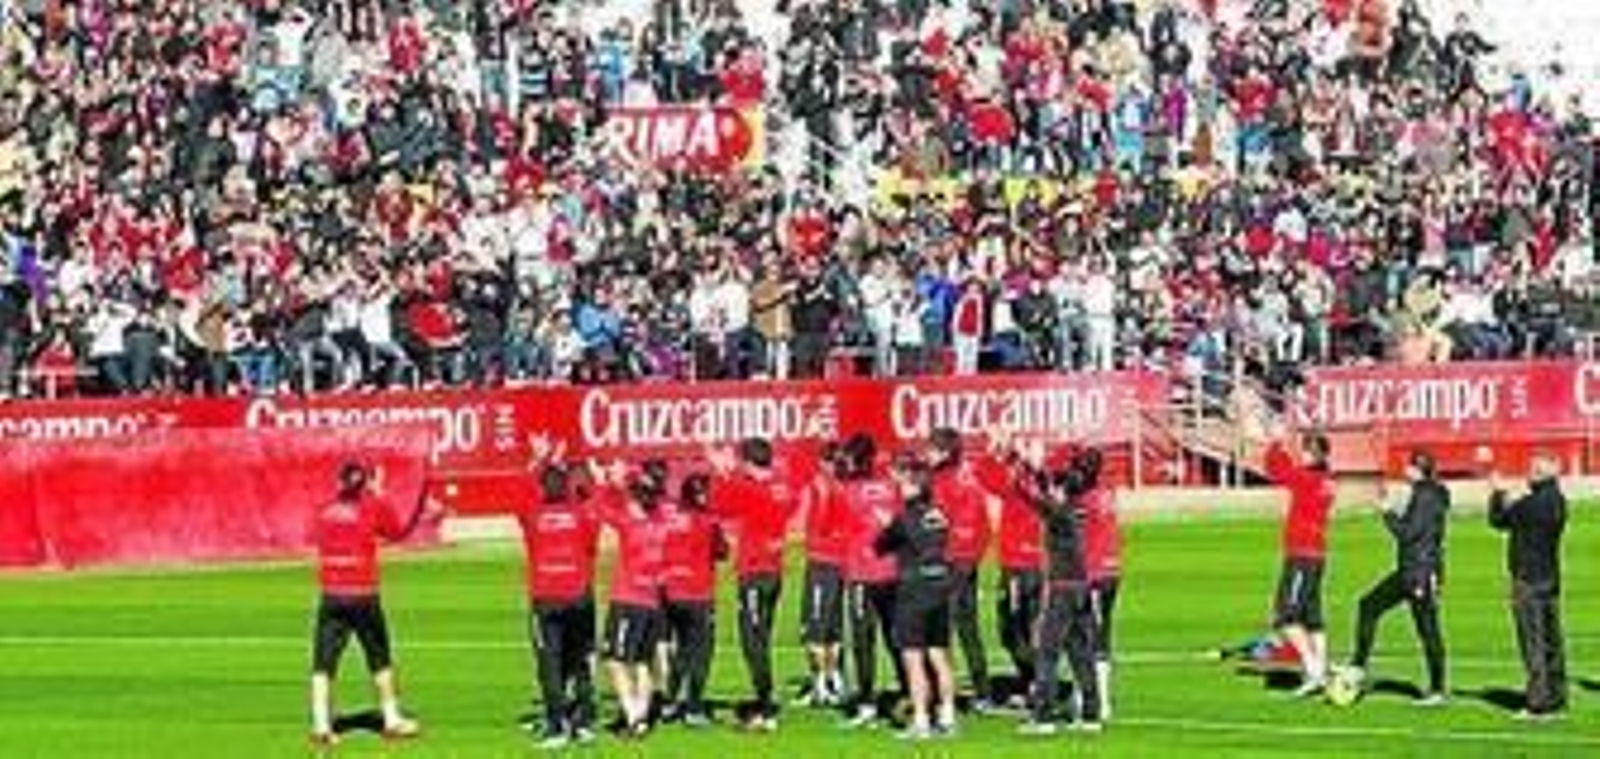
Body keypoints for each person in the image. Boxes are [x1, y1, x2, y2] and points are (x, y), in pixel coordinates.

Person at [307, 461, 430, 746]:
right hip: (363, 594)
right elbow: (398, 531)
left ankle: (321, 724)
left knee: (323, 661)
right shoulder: (372, 506)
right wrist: (380, 493)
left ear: (340, 482)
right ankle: (391, 718)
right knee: (379, 657)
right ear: (364, 483)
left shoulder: (325, 511)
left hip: (332, 594)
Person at [1342, 450, 1449, 707]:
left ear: (1416, 469)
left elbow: (1407, 534)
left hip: (1418, 574)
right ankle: (1358, 665)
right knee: (1369, 605)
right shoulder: (1433, 492)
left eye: (1408, 467)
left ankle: (1436, 690)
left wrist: (1387, 512)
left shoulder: (1425, 496)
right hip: (1414, 571)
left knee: (1427, 630)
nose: (1404, 471)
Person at [1011, 441, 1103, 735]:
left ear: (1063, 491)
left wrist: (1022, 466)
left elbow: (1029, 495)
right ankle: (1091, 715)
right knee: (1080, 652)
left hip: (1061, 589)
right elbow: (1045, 491)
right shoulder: (1075, 509)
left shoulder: (1059, 514)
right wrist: (1034, 469)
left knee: (1047, 652)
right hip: (1080, 588)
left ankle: (1044, 717)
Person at [517, 440, 601, 749]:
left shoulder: (533, 515)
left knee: (549, 663)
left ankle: (556, 727)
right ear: (567, 488)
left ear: (541, 489)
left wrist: (537, 461)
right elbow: (592, 543)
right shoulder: (580, 515)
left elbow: (519, 495)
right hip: (578, 597)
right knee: (579, 660)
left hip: (546, 599)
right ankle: (582, 723)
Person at [708, 438, 795, 731]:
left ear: (747, 461)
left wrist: (722, 471)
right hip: (774, 570)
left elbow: (717, 505)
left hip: (755, 571)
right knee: (761, 639)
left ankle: (765, 706)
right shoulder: (782, 487)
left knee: (752, 641)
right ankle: (764, 698)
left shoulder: (749, 489)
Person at [874, 455, 958, 740]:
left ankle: (921, 721)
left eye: (906, 483)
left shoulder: (904, 518)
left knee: (913, 658)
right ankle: (948, 716)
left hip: (914, 591)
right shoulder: (940, 515)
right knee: (940, 655)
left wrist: (887, 527)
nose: (900, 488)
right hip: (940, 588)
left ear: (914, 488)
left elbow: (880, 546)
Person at [591, 459, 670, 740]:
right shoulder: (663, 521)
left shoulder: (629, 522)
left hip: (628, 599)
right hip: (652, 600)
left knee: (615, 659)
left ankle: (634, 715)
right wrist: (624, 482)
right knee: (643, 662)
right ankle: (642, 715)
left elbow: (600, 510)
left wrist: (605, 482)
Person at [1487, 450, 1569, 721]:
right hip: (1550, 577)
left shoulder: (1531, 504)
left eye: (1533, 469)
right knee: (1552, 641)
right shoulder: (1558, 501)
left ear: (1541, 474)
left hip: (1527, 579)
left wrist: (1498, 494)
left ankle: (1537, 704)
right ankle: (1557, 696)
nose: (1528, 473)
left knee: (1532, 642)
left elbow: (1498, 521)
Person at [1262, 425, 1337, 697]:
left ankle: (1314, 669)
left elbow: (1275, 470)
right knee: (1313, 617)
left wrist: (1276, 442)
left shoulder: (1308, 479)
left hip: (1301, 554)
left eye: (1304, 450)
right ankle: (1322, 668)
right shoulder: (1327, 479)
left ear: (1311, 453)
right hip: (1316, 553)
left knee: (1286, 616)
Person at [839, 433, 906, 727]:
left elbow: (838, 527)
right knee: (896, 638)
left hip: (862, 575)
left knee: (863, 640)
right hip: (893, 573)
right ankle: (909, 695)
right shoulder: (893, 486)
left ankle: (866, 703)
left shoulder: (848, 490)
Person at [927, 428, 993, 709]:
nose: (928, 453)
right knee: (968, 627)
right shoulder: (968, 475)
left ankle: (943, 694)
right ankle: (982, 690)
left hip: (952, 561)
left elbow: (938, 524)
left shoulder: (944, 481)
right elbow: (984, 525)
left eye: (932, 448)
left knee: (941, 630)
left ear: (944, 452)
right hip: (967, 559)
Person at [977, 434, 1044, 707]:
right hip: (1035, 565)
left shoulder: (1018, 483)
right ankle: (1034, 682)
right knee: (1027, 628)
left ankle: (1037, 683)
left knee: (1013, 630)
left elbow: (985, 475)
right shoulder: (1040, 482)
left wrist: (993, 450)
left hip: (1018, 566)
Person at [659, 473, 722, 727]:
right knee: (700, 652)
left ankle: (670, 702)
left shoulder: (668, 519)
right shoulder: (709, 521)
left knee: (677, 650)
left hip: (669, 593)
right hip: (698, 595)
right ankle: (693, 707)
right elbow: (721, 552)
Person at [799, 442, 848, 707]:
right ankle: (834, 680)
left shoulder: (822, 487)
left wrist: (812, 539)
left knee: (815, 629)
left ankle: (820, 686)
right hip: (841, 564)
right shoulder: (845, 486)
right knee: (833, 629)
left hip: (822, 562)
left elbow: (818, 524)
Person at [1076, 447, 1122, 721]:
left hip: (1093, 574)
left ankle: (1096, 700)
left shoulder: (1085, 502)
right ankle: (1092, 696)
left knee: (1090, 638)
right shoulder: (1107, 492)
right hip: (1112, 570)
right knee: (1100, 632)